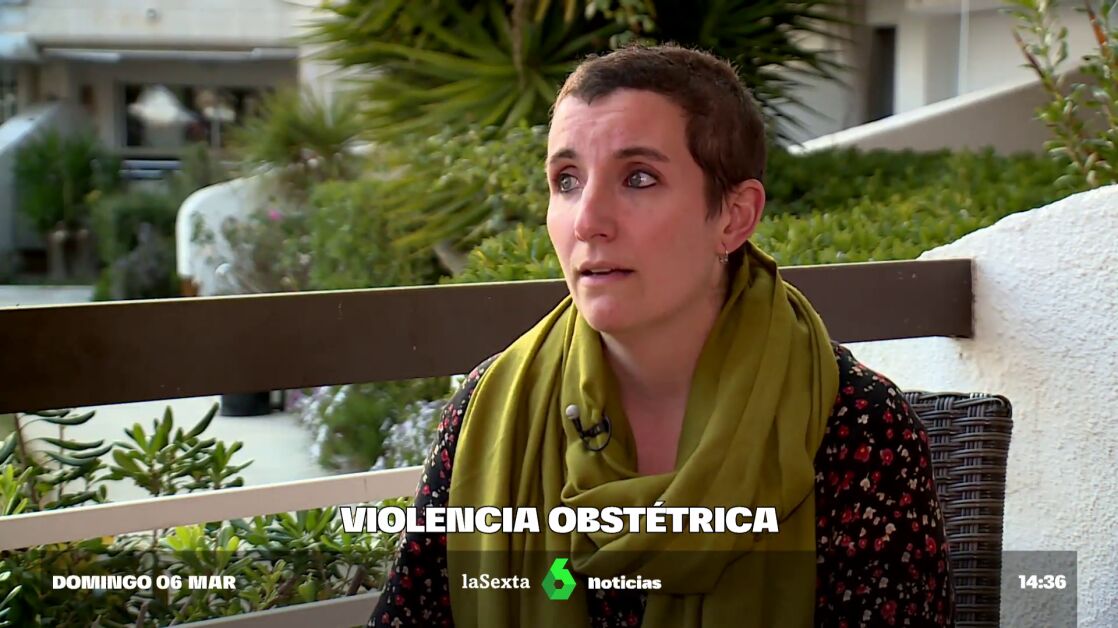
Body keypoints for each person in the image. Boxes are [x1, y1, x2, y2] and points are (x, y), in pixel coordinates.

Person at [368, 44, 953, 628]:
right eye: (567, 180)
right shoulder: (490, 407)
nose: (587, 220)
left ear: (734, 216)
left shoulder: (857, 427)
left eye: (639, 178)